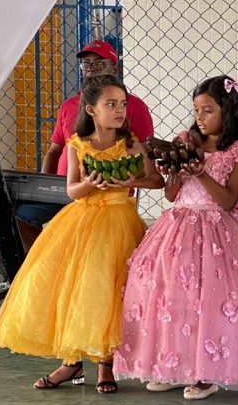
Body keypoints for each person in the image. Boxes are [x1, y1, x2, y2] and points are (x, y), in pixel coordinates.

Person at [115, 75, 238, 400]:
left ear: (228, 110)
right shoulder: (186, 140)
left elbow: (228, 200)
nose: (200, 117)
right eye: (197, 110)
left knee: (210, 300)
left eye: (208, 110)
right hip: (177, 227)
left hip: (219, 232)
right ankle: (174, 366)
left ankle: (206, 373)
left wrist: (201, 173)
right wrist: (176, 171)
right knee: (172, 296)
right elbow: (171, 195)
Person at [0, 75, 163, 392]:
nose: (120, 110)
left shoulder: (132, 144)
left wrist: (129, 182)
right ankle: (72, 362)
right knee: (74, 287)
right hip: (82, 221)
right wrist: (90, 184)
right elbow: (71, 190)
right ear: (92, 109)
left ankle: (106, 362)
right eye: (111, 104)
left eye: (123, 104)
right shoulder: (77, 145)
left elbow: (156, 181)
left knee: (110, 288)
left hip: (119, 222)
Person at [15, 40, 154, 252]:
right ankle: (35, 261)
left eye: (99, 63)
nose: (91, 68)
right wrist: (44, 185)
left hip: (109, 193)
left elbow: (146, 153)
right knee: (20, 215)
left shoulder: (133, 107)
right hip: (65, 187)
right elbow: (54, 150)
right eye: (87, 63)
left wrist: (129, 179)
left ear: (114, 68)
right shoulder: (69, 105)